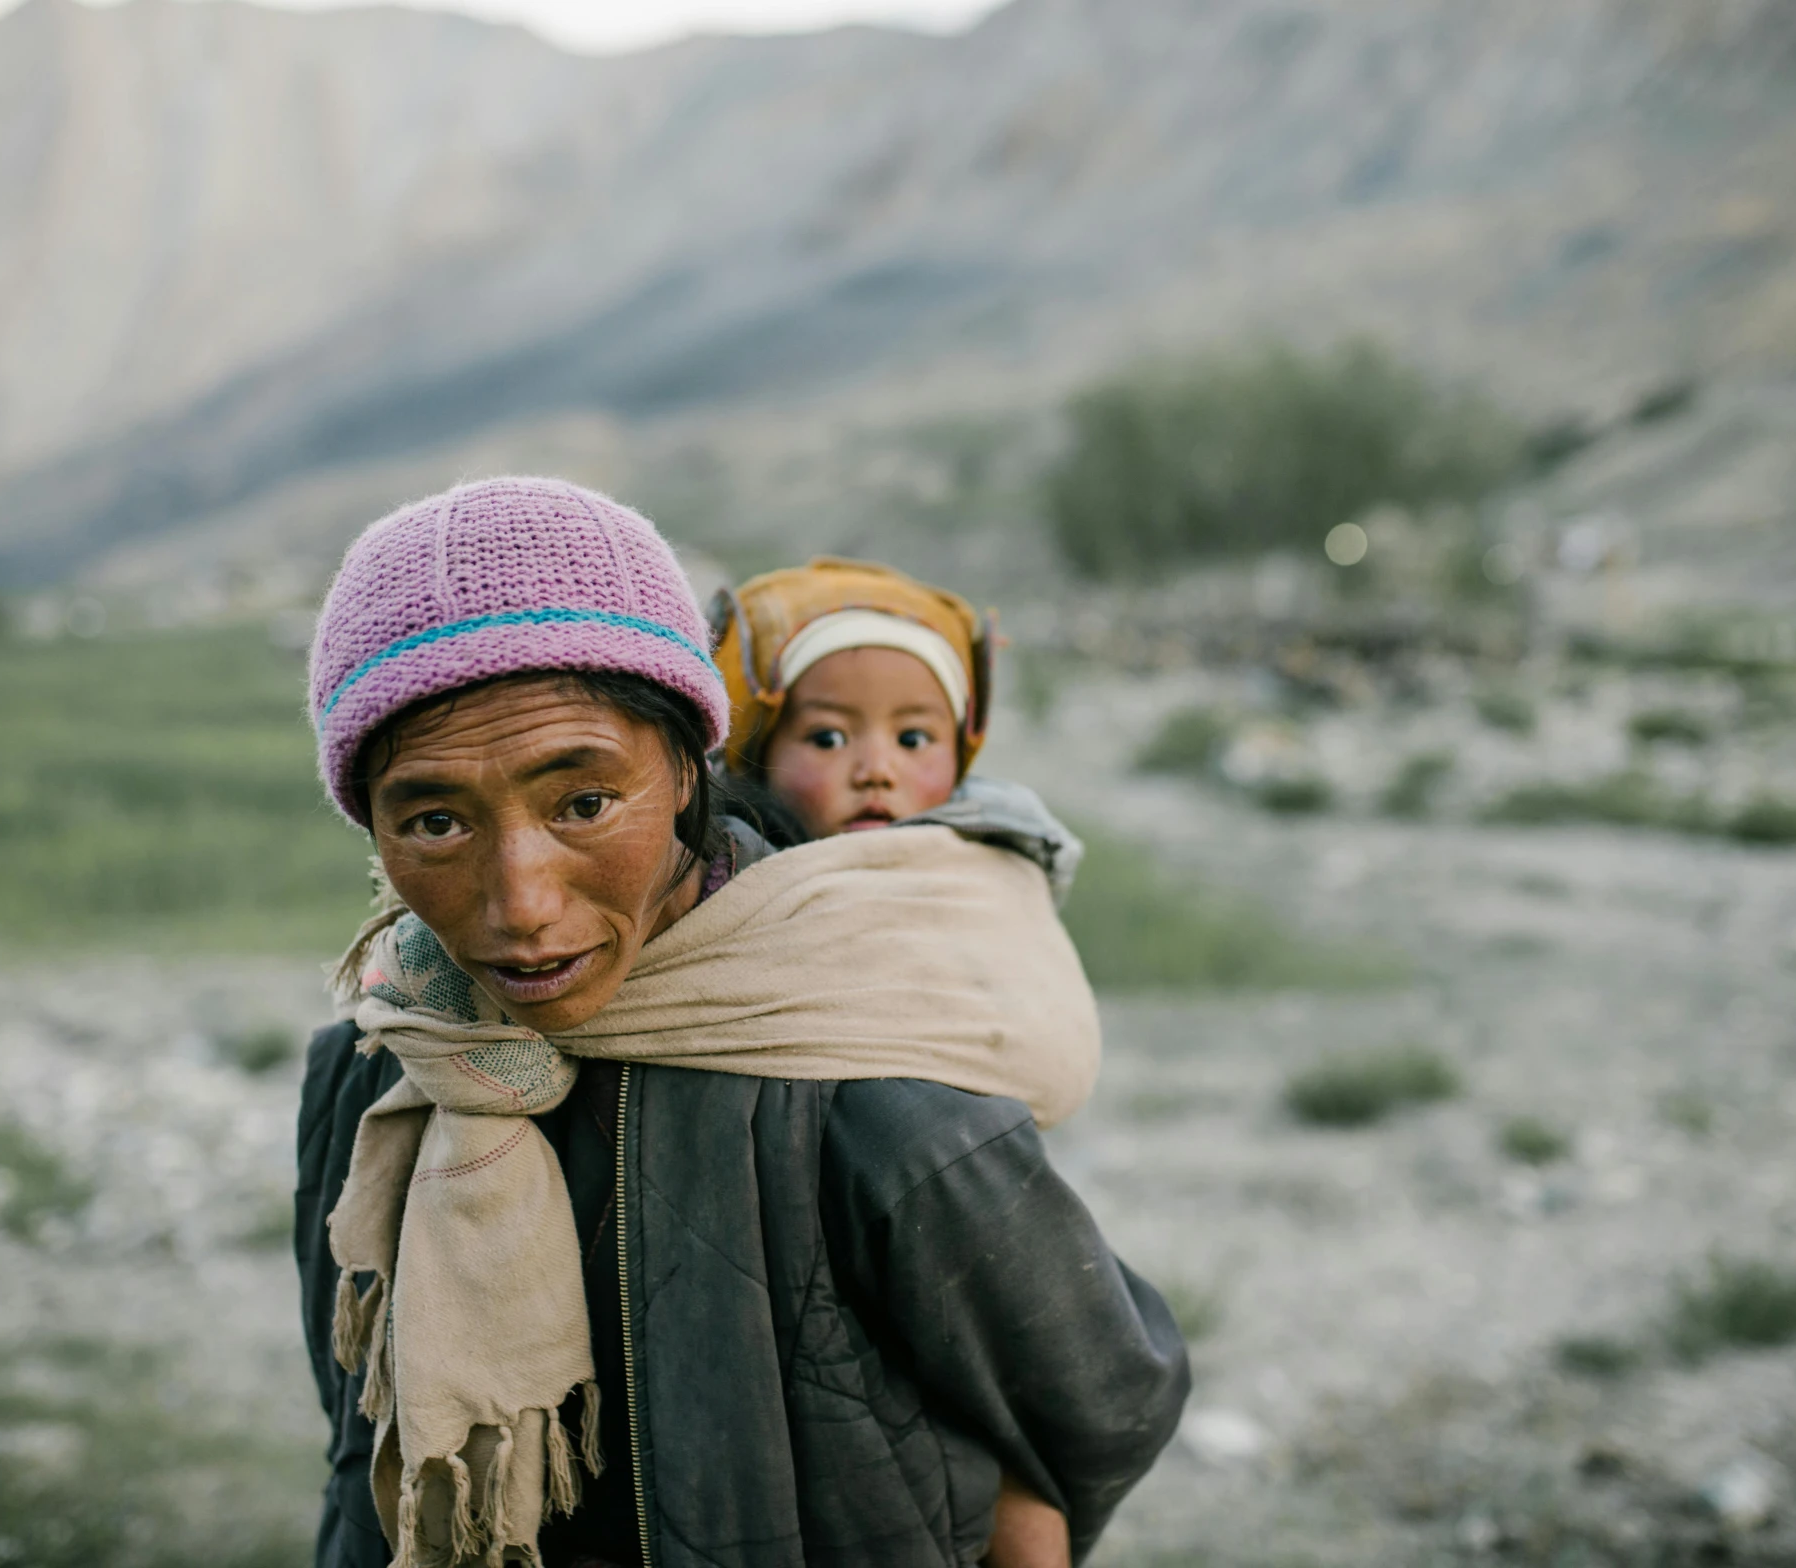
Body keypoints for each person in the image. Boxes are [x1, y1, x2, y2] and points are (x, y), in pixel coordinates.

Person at [293, 477, 1187, 1568]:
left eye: (583, 801)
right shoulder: (377, 1071)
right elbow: (358, 1438)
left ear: (687, 766)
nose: (521, 903)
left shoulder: (863, 1083)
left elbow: (1103, 1397)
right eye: (434, 819)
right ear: (370, 822)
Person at [711, 557, 1084, 900]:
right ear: (757, 753)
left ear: (959, 754)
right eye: (828, 739)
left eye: (912, 739)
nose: (876, 771)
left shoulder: (1007, 876)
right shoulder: (718, 880)